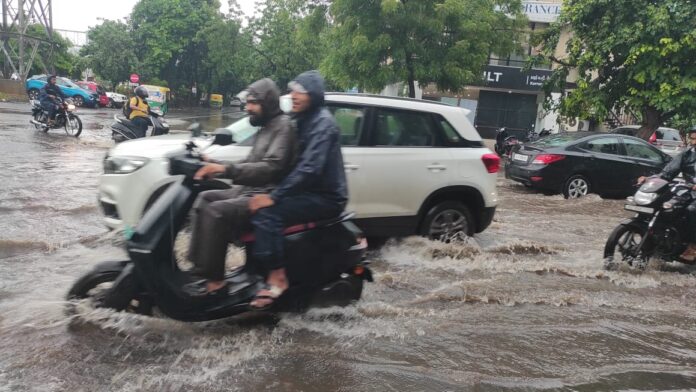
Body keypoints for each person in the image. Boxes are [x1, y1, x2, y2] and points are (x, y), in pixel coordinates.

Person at [247, 70, 348, 309]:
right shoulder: (299, 117)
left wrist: (274, 196)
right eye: (291, 91)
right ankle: (253, 270)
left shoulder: (323, 124)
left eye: (299, 92)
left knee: (267, 212)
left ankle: (277, 276)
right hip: (306, 191)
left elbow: (309, 169)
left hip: (326, 197)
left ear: (313, 95)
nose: (293, 96)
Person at [187, 78, 297, 296]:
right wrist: (213, 162)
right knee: (204, 199)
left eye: (252, 103)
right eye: (247, 103)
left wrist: (224, 170)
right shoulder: (266, 127)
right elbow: (250, 161)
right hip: (248, 190)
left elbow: (270, 168)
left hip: (266, 196)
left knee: (216, 212)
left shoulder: (284, 127)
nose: (247, 108)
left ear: (268, 102)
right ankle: (201, 269)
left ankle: (216, 282)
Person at [638, 126, 696, 260]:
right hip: (686, 190)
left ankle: (692, 246)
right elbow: (668, 172)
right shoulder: (686, 154)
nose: (694, 142)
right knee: (665, 204)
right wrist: (650, 179)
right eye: (692, 138)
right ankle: (662, 239)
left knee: (692, 210)